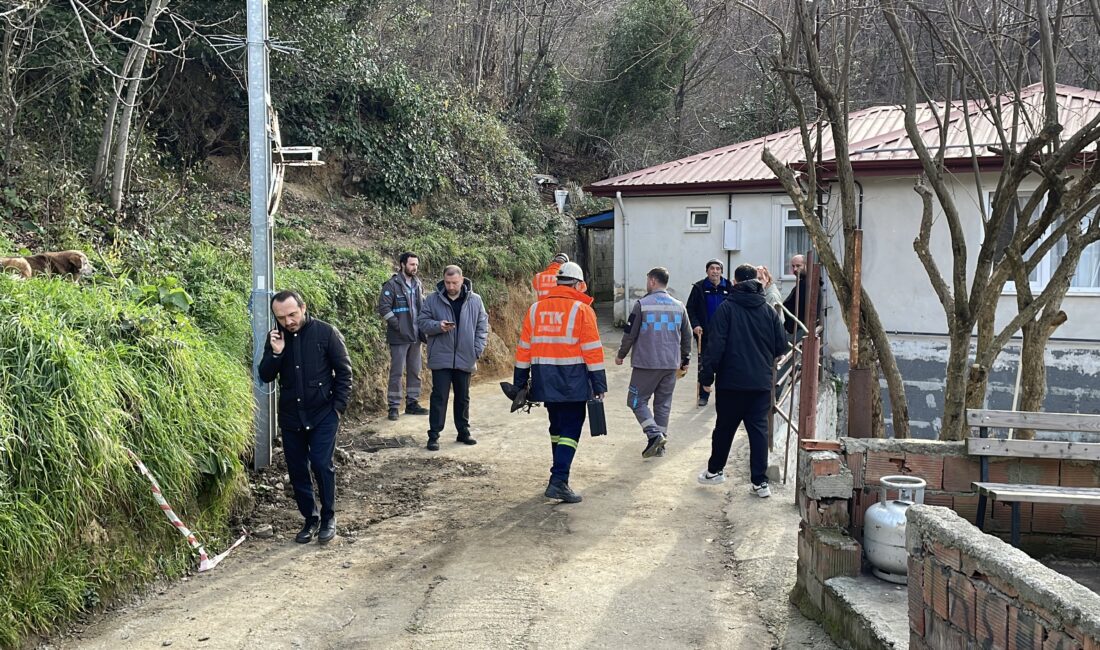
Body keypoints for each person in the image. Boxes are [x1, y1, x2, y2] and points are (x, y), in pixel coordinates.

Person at [259, 291, 353, 544]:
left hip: (323, 413)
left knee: (322, 464)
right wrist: (276, 353)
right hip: (292, 417)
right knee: (297, 469)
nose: (288, 321)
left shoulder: (326, 333)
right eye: (281, 317)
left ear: (303, 307)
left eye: (292, 314)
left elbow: (345, 373)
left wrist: (337, 408)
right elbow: (265, 375)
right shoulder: (277, 339)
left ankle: (328, 517)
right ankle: (309, 519)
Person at [513, 261, 606, 503]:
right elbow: (592, 351)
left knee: (556, 428)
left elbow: (524, 349)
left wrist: (519, 382)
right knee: (571, 428)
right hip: (573, 380)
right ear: (578, 284)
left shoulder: (535, 309)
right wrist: (599, 384)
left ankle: (558, 475)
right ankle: (559, 480)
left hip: (544, 379)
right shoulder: (582, 310)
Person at [696, 265, 787, 499]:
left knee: (724, 429)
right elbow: (781, 346)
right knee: (758, 431)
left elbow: (715, 347)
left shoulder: (726, 310)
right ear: (757, 282)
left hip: (731, 383)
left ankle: (715, 471)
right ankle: (760, 483)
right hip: (760, 383)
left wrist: (706, 378)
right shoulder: (768, 311)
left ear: (734, 283)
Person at [616, 267, 692, 459]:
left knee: (635, 400)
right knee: (663, 404)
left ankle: (654, 434)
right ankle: (660, 445)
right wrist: (686, 359)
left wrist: (621, 354)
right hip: (670, 363)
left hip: (646, 364)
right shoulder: (679, 306)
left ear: (652, 281)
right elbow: (687, 335)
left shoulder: (642, 304)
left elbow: (629, 334)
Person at [417, 265, 489, 451]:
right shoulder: (433, 300)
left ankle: (463, 431)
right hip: (441, 356)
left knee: (463, 397)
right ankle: (434, 435)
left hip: (466, 356)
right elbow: (422, 323)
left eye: (454, 283)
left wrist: (476, 350)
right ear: (443, 280)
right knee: (439, 396)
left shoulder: (475, 300)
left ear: (462, 280)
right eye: (447, 283)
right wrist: (438, 326)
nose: (450, 287)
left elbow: (482, 326)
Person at [377, 252, 428, 421]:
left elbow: (421, 307)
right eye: (412, 264)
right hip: (399, 336)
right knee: (397, 372)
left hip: (416, 336)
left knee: (415, 371)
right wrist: (398, 326)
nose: (415, 268)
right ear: (402, 264)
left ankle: (412, 403)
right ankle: (393, 407)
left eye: (416, 265)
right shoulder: (392, 285)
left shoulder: (418, 284)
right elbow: (384, 308)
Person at [685, 259, 732, 407]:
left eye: (718, 269)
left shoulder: (729, 287)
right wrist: (695, 325)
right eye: (712, 268)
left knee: (725, 366)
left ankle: (723, 396)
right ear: (707, 271)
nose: (715, 271)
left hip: (725, 334)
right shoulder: (699, 287)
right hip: (705, 334)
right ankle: (703, 395)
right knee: (705, 366)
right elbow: (690, 309)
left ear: (722, 271)